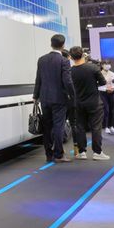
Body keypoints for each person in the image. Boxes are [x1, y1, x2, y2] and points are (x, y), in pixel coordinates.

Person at [34, 34, 74, 163]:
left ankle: (48, 154)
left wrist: (35, 96)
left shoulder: (41, 59)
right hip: (59, 99)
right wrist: (72, 95)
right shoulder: (64, 61)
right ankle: (59, 154)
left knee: (47, 126)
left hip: (44, 98)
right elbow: (67, 81)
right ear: (63, 45)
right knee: (58, 126)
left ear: (51, 44)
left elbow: (38, 79)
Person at [69, 46, 110, 160]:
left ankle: (82, 152)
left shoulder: (70, 71)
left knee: (80, 127)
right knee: (96, 127)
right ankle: (97, 152)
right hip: (94, 102)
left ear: (71, 57)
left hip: (78, 103)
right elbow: (103, 82)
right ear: (83, 54)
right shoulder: (93, 68)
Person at [100, 62, 114, 134]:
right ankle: (106, 127)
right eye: (106, 64)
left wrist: (113, 89)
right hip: (103, 93)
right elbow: (98, 85)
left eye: (108, 64)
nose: (107, 65)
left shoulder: (112, 73)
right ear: (102, 65)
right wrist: (106, 89)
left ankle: (111, 126)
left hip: (112, 93)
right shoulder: (100, 73)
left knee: (112, 110)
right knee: (106, 110)